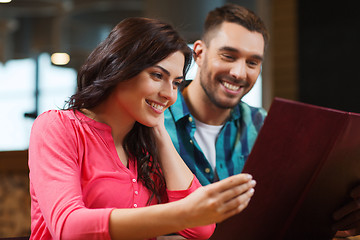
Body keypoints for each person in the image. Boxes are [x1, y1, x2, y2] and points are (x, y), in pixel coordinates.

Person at [28, 17, 257, 240]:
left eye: (176, 83)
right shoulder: (58, 127)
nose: (169, 95)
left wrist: (160, 133)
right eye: (157, 76)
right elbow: (69, 227)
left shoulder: (145, 144)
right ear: (120, 68)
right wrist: (181, 214)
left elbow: (201, 228)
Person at [164, 3, 360, 238]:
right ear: (198, 52)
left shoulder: (265, 125)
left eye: (252, 62)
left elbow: (288, 208)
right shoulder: (153, 123)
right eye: (228, 56)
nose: (239, 73)